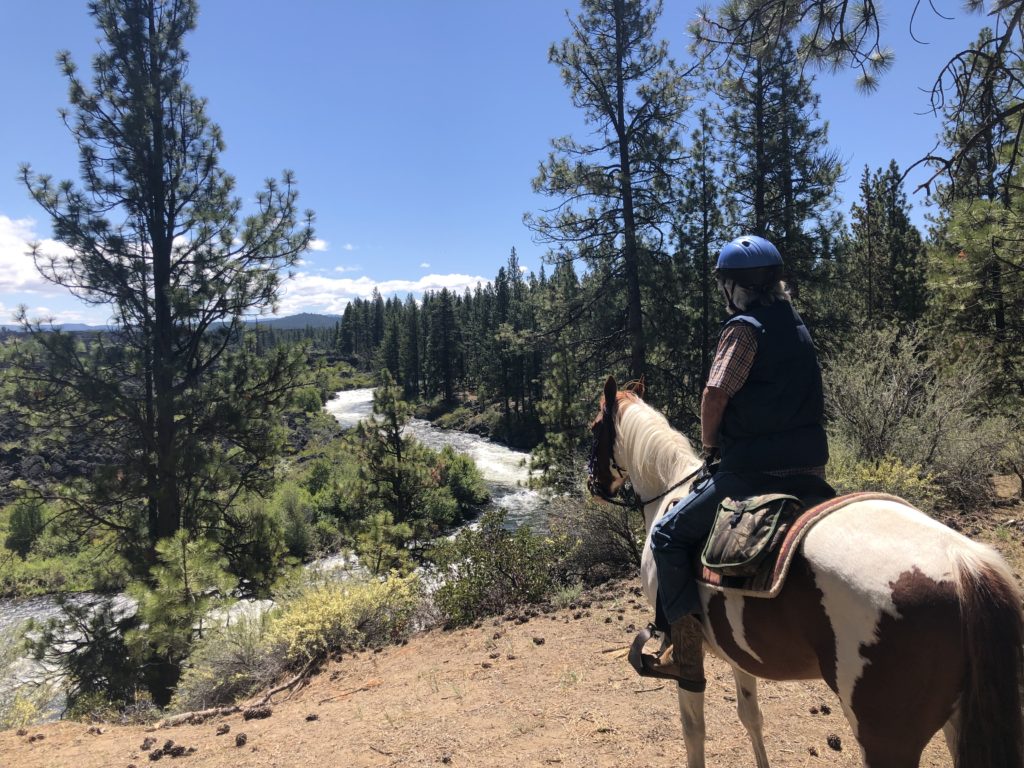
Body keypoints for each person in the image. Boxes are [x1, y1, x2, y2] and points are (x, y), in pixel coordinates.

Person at [641, 234, 832, 691]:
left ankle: (683, 653)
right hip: (810, 469)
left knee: (667, 535)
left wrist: (709, 446)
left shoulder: (744, 329)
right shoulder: (796, 325)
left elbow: (715, 394)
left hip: (753, 471)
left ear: (732, 287)